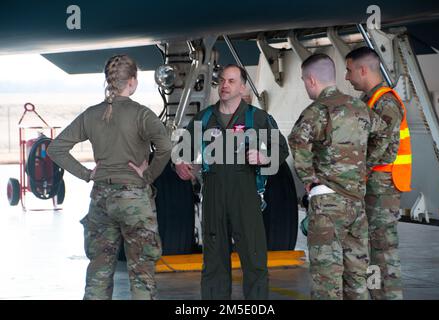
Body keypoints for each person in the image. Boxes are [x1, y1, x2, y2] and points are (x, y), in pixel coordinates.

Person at [47, 54, 172, 300]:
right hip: (133, 199)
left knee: (98, 272)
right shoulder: (142, 115)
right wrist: (147, 175)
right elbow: (165, 147)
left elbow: (56, 148)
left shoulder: (92, 114)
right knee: (142, 274)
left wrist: (86, 174)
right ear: (132, 82)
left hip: (101, 199)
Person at [175, 64, 289, 300]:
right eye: (222, 81)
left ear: (243, 87)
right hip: (213, 195)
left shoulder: (257, 118)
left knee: (255, 260)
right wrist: (180, 165)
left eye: (231, 81)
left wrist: (265, 156)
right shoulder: (205, 117)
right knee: (214, 262)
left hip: (246, 194)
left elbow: (281, 148)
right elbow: (182, 151)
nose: (225, 85)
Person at [288, 53, 390, 300]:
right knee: (357, 280)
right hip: (356, 204)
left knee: (327, 280)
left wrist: (308, 177)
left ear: (311, 80)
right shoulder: (359, 107)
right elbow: (385, 134)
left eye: (304, 80)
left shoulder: (318, 110)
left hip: (328, 204)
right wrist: (364, 167)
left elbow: (297, 139)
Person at [345, 47, 412, 300]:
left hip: (382, 188)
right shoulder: (369, 101)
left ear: (363, 69)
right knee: (371, 249)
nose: (347, 77)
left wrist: (352, 173)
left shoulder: (386, 102)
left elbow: (380, 145)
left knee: (383, 252)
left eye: (349, 70)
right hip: (372, 185)